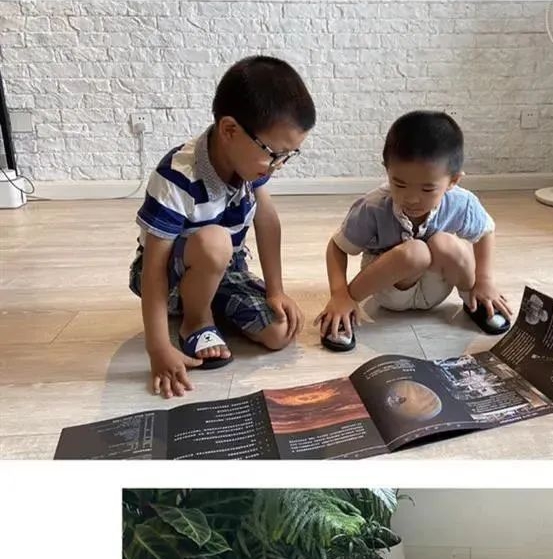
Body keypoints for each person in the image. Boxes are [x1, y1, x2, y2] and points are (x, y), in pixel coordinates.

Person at [130, 56, 314, 398]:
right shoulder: (176, 176)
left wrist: (275, 290)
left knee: (278, 332)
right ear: (230, 130)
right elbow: (154, 268)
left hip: (224, 268)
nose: (278, 165)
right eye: (274, 154)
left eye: (288, 155)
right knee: (214, 241)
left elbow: (268, 221)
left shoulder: (252, 167)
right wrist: (158, 348)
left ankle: (211, 301)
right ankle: (196, 321)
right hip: (169, 276)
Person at [316, 111, 513, 351]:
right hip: (390, 287)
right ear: (387, 170)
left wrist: (484, 280)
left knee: (445, 243)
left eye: (427, 189)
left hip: (436, 289)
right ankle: (345, 308)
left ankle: (475, 301)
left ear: (453, 181)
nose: (411, 198)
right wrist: (339, 293)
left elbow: (485, 232)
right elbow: (337, 246)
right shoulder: (374, 206)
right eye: (399, 184)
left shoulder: (462, 202)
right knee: (416, 252)